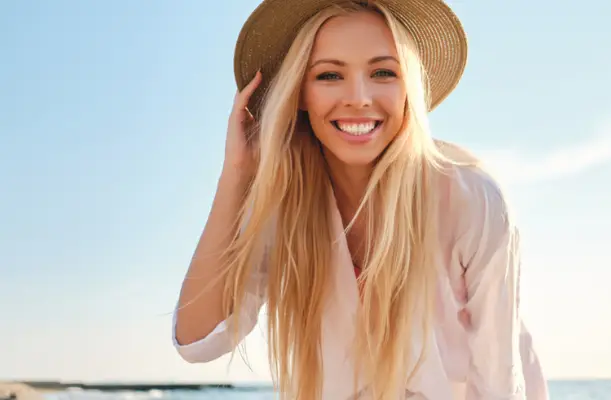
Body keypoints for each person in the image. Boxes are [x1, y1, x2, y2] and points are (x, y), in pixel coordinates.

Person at [172, 0, 549, 399]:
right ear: (300, 92)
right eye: (330, 75)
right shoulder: (284, 204)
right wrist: (237, 176)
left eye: (384, 72)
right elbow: (198, 342)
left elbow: (499, 378)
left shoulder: (471, 198)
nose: (359, 97)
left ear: (410, 88)